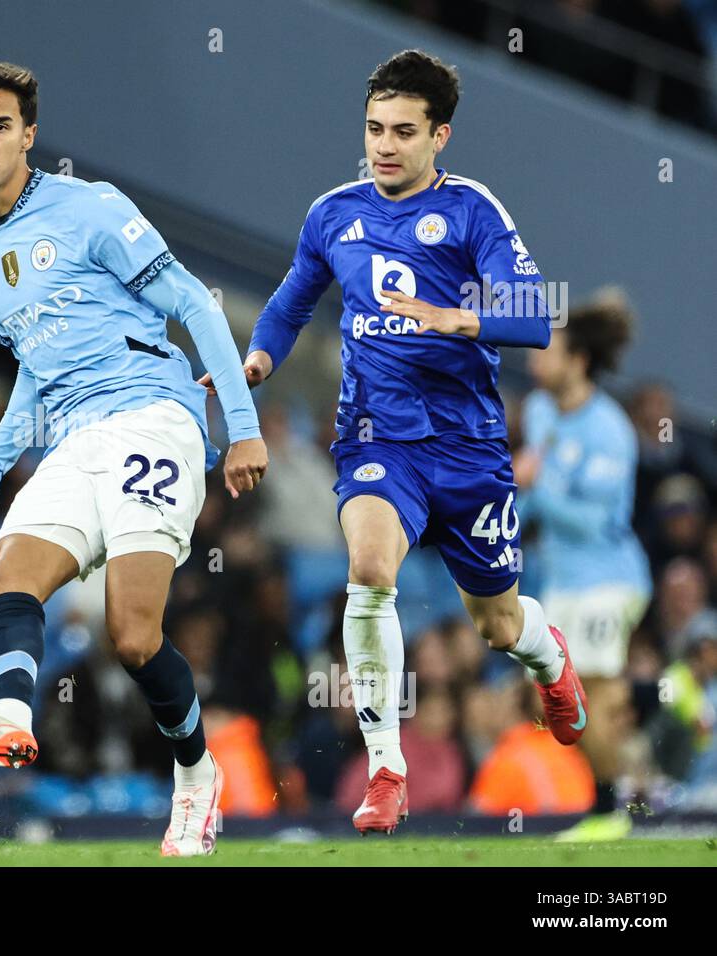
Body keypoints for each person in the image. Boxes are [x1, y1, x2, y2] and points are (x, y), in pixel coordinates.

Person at [0, 62, 268, 856]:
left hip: (152, 419)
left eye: (0, 126)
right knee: (6, 578)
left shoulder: (91, 207)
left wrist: (242, 427)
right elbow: (38, 366)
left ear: (28, 135)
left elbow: (194, 303)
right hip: (71, 438)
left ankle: (197, 775)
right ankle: (7, 721)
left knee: (132, 636)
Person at [221, 49, 585, 834]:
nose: (384, 145)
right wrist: (256, 361)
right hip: (376, 435)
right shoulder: (333, 215)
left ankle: (549, 656)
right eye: (374, 129)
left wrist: (457, 317)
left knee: (496, 624)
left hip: (469, 447)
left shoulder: (473, 211)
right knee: (369, 569)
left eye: (403, 131)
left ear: (439, 135)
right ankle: (387, 768)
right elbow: (289, 304)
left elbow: (533, 317)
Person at [519, 291, 652, 841]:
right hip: (562, 579)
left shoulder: (610, 431)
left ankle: (611, 809)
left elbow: (594, 523)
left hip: (609, 578)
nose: (535, 359)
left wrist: (538, 486)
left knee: (592, 685)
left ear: (577, 361)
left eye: (547, 351)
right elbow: (529, 496)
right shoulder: (539, 410)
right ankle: (641, 742)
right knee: (555, 694)